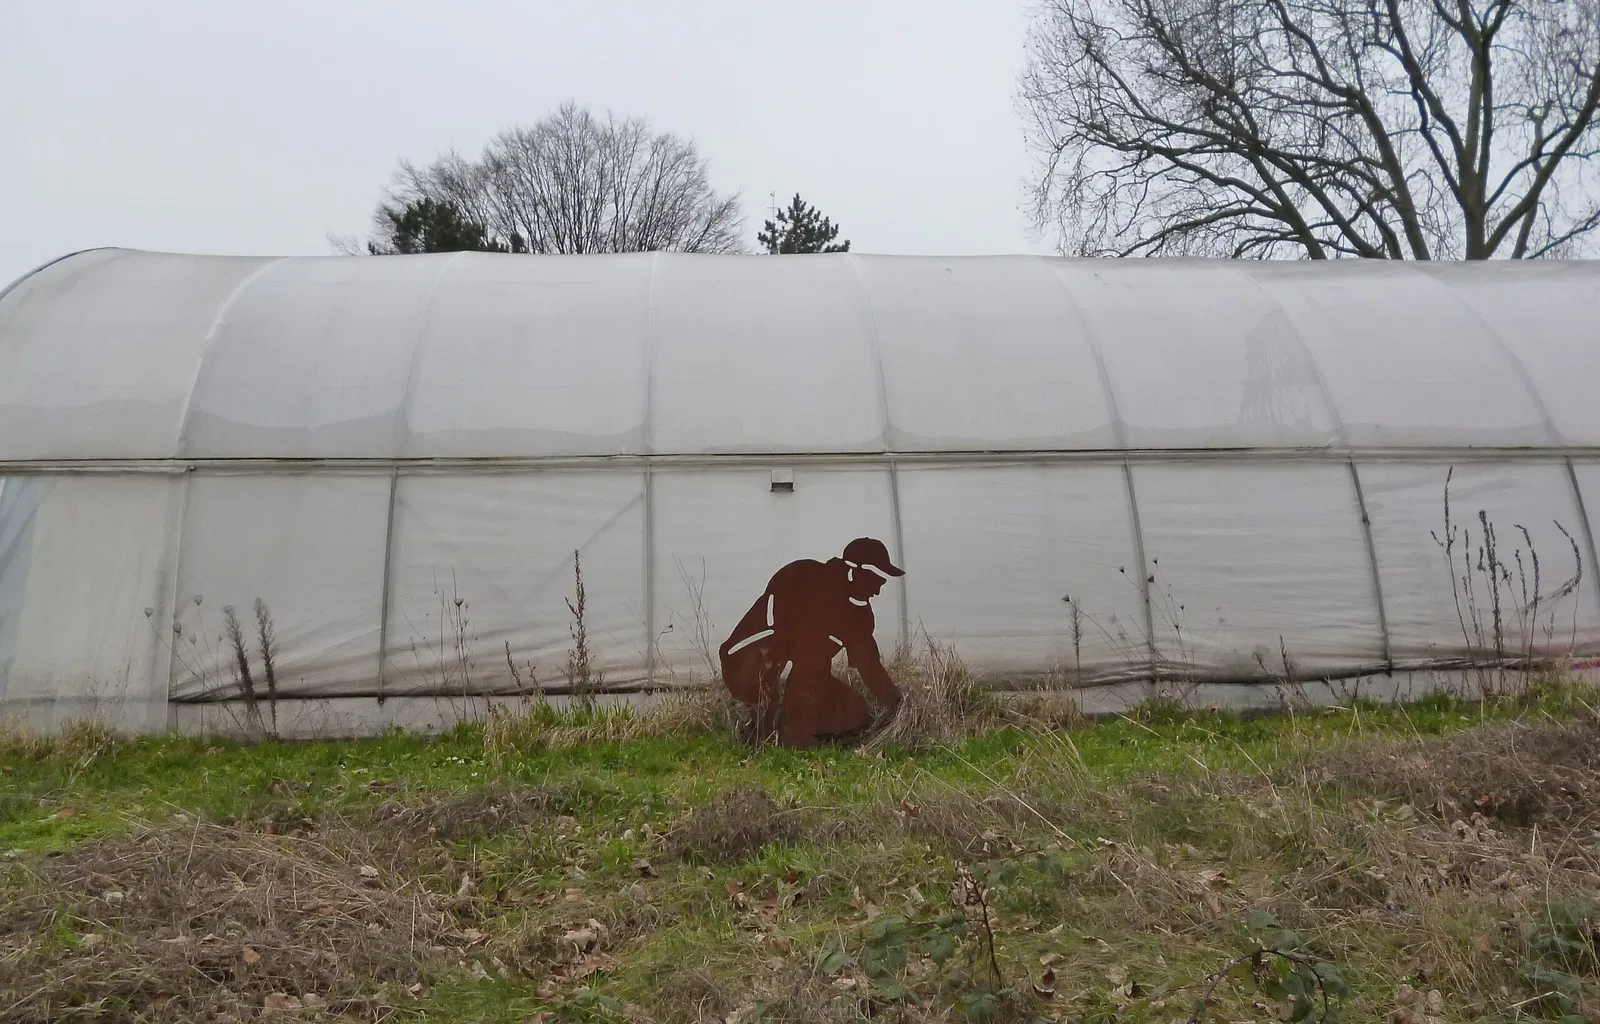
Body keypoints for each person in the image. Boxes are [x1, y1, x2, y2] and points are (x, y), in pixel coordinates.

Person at [719, 537, 905, 748]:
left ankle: (790, 731)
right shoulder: (803, 576)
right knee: (805, 661)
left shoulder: (858, 615)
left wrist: (898, 705)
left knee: (855, 711)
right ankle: (772, 735)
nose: (877, 591)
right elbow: (784, 646)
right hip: (746, 659)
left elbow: (869, 666)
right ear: (854, 572)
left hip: (788, 668)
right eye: (875, 581)